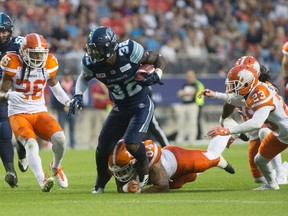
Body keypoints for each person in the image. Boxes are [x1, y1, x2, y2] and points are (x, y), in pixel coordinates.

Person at [68, 26, 165, 194]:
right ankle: (100, 182)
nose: (94, 53)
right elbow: (83, 78)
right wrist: (78, 94)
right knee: (102, 147)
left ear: (110, 47)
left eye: (98, 49)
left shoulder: (129, 50)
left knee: (132, 143)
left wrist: (158, 74)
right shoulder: (90, 62)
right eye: (92, 49)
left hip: (140, 104)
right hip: (120, 107)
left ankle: (143, 174)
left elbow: (157, 58)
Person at [0, 33, 70, 192]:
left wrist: (68, 101)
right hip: (18, 113)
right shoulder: (12, 62)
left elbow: (55, 87)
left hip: (39, 110)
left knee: (60, 139)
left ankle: (56, 167)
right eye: (34, 54)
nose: (39, 57)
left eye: (41, 53)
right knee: (31, 144)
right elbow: (1, 93)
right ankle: (42, 180)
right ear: (24, 52)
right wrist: (8, 95)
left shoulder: (49, 62)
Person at [201, 65, 288, 190]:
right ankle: (272, 185)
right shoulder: (253, 90)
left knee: (262, 138)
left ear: (247, 83)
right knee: (260, 160)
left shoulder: (260, 93)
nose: (232, 87)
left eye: (235, 84)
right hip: (281, 134)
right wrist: (215, 95)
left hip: (285, 131)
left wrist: (228, 130)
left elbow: (256, 123)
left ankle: (281, 175)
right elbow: (238, 101)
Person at [108, 137, 235, 193]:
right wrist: (126, 188)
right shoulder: (119, 163)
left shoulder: (151, 160)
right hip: (170, 176)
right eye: (118, 169)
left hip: (178, 159)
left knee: (210, 158)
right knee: (189, 178)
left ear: (135, 160)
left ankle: (227, 133)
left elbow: (163, 187)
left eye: (124, 169)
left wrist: (139, 192)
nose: (121, 173)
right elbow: (121, 187)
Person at [0, 13, 23, 188]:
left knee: (22, 132)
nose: (2, 34)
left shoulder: (19, 44)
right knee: (4, 132)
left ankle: (22, 152)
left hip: (18, 93)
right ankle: (10, 171)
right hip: (2, 94)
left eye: (5, 31)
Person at [175, 70, 204, 143]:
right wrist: (185, 93)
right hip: (184, 105)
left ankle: (192, 139)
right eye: (188, 76)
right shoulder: (185, 85)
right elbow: (179, 94)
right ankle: (180, 138)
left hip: (193, 105)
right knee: (182, 122)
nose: (189, 77)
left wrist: (184, 93)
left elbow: (192, 93)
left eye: (190, 76)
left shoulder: (196, 84)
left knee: (192, 122)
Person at [51, 71, 76, 149]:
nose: (67, 77)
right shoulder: (59, 83)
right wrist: (54, 107)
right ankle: (62, 144)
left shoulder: (74, 84)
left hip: (72, 109)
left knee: (72, 127)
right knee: (61, 127)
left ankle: (72, 144)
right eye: (65, 75)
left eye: (68, 75)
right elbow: (54, 95)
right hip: (61, 109)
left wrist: (81, 106)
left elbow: (79, 94)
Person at [89, 80, 112, 149]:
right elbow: (95, 96)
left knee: (107, 128)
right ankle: (93, 144)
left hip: (106, 109)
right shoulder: (94, 86)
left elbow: (109, 95)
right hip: (97, 110)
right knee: (96, 127)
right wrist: (105, 97)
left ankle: (107, 143)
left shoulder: (107, 86)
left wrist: (103, 87)